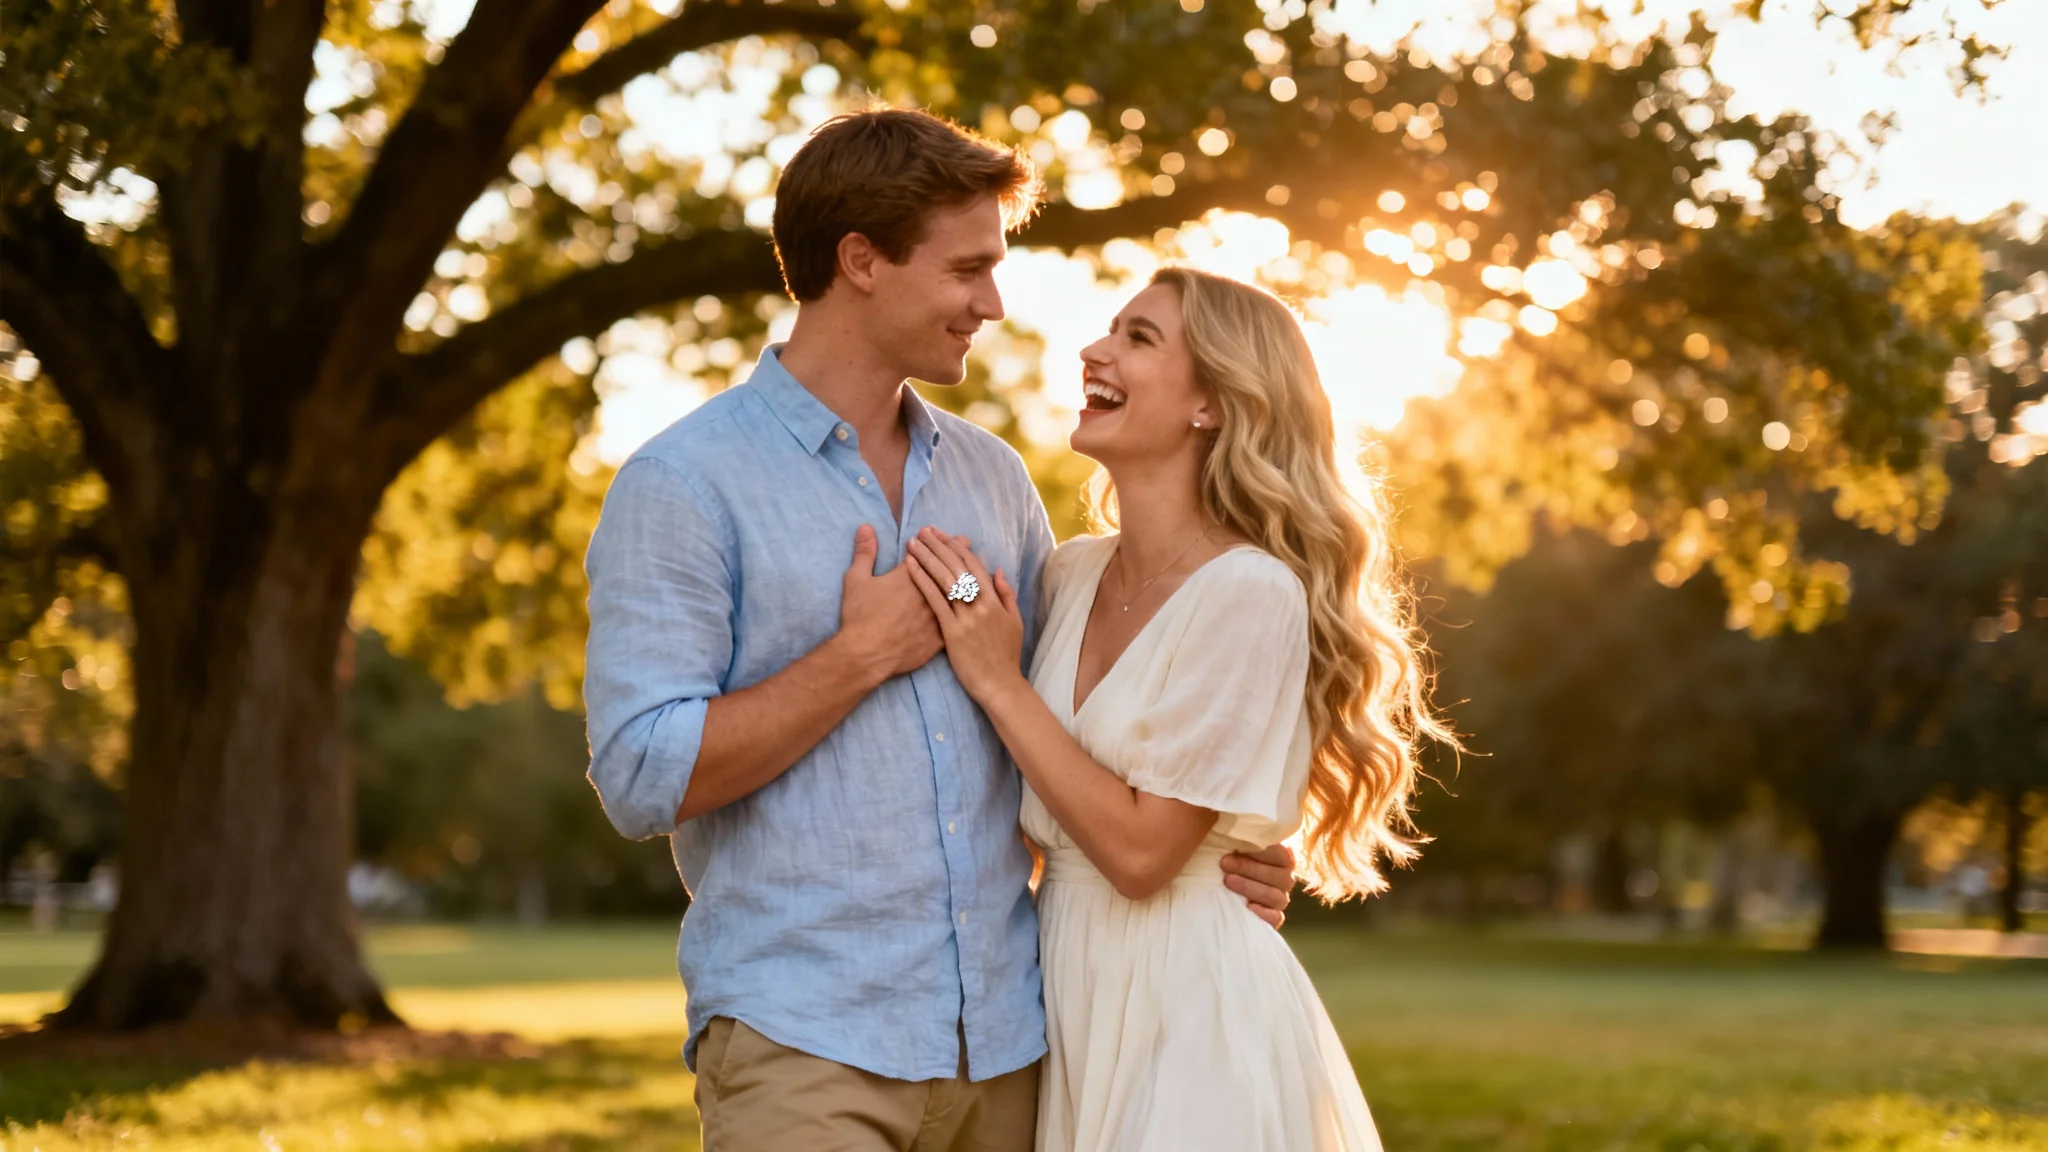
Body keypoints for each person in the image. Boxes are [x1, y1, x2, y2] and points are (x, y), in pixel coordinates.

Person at [582, 109, 1297, 1152]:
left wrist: (1222, 846)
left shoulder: (992, 479)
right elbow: (642, 775)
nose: (992, 304)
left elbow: (1083, 722)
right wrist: (858, 655)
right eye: (967, 270)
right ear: (860, 261)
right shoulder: (685, 485)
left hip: (1008, 1051)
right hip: (806, 1047)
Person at [901, 267, 1452, 1151]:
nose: (1094, 349)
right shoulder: (1067, 573)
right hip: (1055, 1002)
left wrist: (996, 676)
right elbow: (1034, 794)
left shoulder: (1250, 591)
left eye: (1139, 337)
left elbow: (1142, 852)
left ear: (1214, 405)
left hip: (1189, 1005)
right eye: (1110, 329)